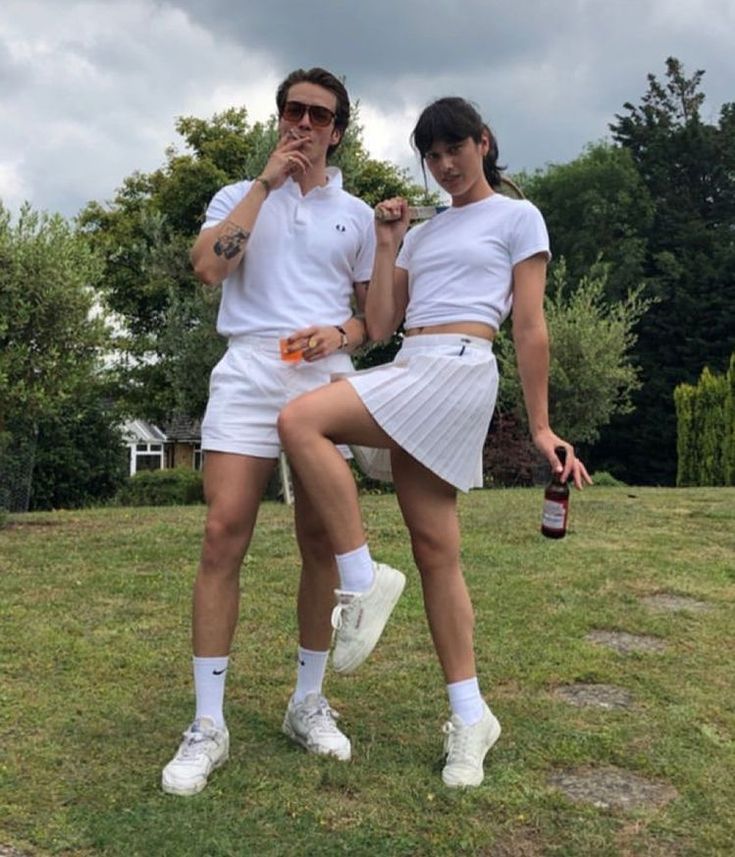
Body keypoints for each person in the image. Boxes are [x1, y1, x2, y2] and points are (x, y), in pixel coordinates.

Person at [278, 96, 592, 788]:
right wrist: (388, 244)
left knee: (302, 419)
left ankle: (360, 578)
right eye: (433, 156)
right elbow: (383, 323)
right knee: (435, 551)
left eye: (456, 149)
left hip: (458, 368)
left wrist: (540, 424)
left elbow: (529, 326)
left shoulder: (518, 216)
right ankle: (469, 715)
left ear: (483, 143)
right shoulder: (420, 232)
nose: (445, 165)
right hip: (411, 364)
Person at [161, 67, 406, 797]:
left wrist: (341, 329)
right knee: (221, 532)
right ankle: (208, 724)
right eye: (290, 110)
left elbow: (378, 324)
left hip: (319, 377)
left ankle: (306, 701)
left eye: (317, 114)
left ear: (337, 129)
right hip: (246, 369)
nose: (300, 123)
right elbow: (207, 268)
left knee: (317, 541)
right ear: (279, 118)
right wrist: (262, 187)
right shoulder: (238, 197)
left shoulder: (357, 214)